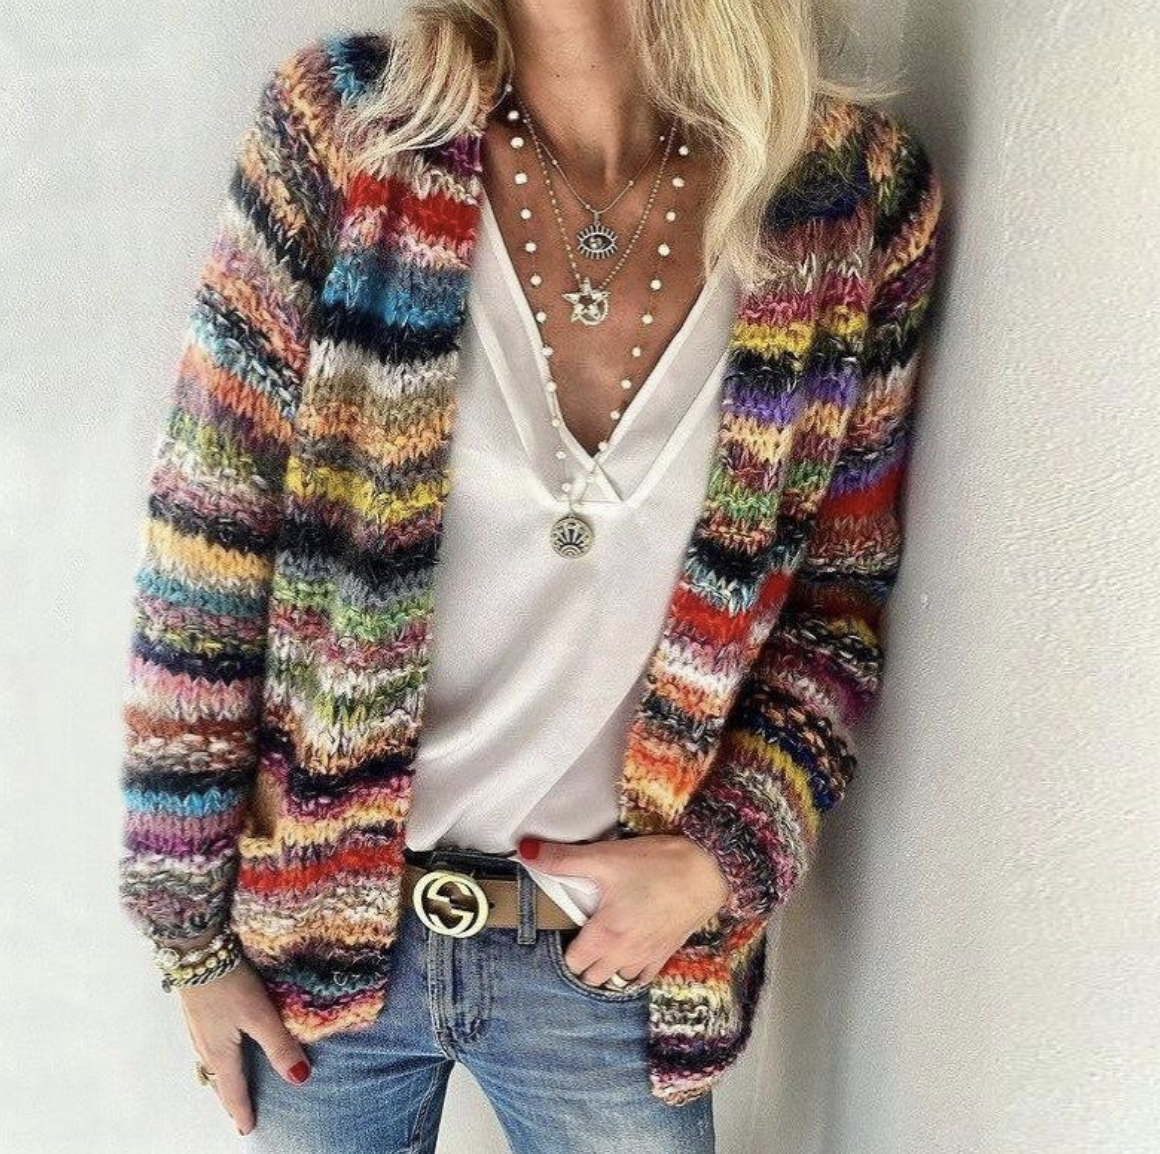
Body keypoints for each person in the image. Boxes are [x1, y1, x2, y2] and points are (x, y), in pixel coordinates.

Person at [117, 1, 944, 1150]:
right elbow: (204, 552)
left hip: (610, 962)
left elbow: (836, 606)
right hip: (321, 940)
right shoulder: (346, 133)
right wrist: (190, 939)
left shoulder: (849, 201)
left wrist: (723, 859)